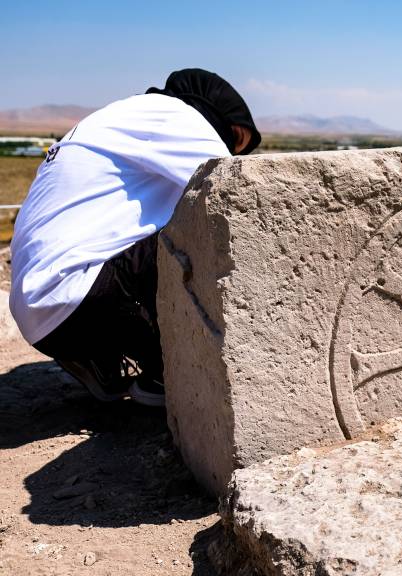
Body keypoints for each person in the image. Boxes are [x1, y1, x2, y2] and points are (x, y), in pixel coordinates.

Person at [8, 69, 260, 407]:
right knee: (202, 233)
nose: (234, 151)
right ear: (214, 115)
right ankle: (163, 372)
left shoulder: (120, 118)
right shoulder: (177, 115)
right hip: (83, 300)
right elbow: (235, 196)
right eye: (235, 140)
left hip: (41, 315)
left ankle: (104, 358)